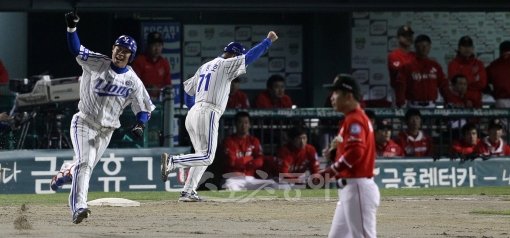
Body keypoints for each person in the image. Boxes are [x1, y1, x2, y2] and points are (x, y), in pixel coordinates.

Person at [50, 11, 155, 224]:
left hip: (106, 131)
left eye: (126, 51)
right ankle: (79, 207)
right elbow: (76, 49)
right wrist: (72, 28)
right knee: (85, 165)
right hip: (84, 122)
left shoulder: (133, 80)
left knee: (82, 166)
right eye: (118, 48)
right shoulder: (98, 62)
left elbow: (143, 108)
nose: (121, 53)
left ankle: (64, 172)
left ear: (131, 56)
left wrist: (140, 125)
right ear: (113, 49)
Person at [160, 31, 279, 202]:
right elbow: (249, 57)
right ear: (233, 55)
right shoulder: (226, 64)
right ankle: (172, 161)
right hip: (208, 111)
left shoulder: (205, 66)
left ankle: (188, 191)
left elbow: (187, 91)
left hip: (194, 112)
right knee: (207, 156)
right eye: (238, 57)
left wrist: (195, 109)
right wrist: (267, 42)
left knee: (202, 156)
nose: (239, 64)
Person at [310, 74, 379, 238]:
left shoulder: (355, 119)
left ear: (348, 96)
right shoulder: (351, 118)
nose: (331, 97)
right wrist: (335, 153)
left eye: (335, 93)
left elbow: (356, 152)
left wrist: (329, 172)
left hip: (358, 187)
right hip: (350, 188)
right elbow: (352, 153)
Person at [222, 111, 276, 190]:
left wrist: (241, 162)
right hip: (234, 178)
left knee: (272, 184)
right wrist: (250, 159)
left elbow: (260, 161)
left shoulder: (254, 140)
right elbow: (231, 162)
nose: (243, 126)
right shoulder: (228, 141)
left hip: (250, 178)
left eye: (246, 123)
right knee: (227, 186)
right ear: (236, 124)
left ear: (249, 124)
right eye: (240, 122)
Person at [394, 34, 449, 108]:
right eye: (421, 45)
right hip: (414, 106)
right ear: (416, 47)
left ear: (430, 47)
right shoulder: (407, 66)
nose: (424, 48)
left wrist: (448, 100)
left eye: (426, 45)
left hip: (432, 106)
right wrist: (400, 102)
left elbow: (443, 84)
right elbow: (400, 85)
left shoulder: (435, 66)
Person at [447, 35, 487, 105]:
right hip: (458, 103)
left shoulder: (479, 64)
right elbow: (456, 85)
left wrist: (465, 84)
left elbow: (482, 84)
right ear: (459, 48)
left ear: (473, 48)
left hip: (476, 103)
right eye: (464, 46)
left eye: (469, 46)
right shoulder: (453, 64)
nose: (467, 49)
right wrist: (473, 83)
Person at [132, 31, 171, 100]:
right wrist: (148, 87)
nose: (157, 49)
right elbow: (133, 83)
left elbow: (168, 85)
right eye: (154, 45)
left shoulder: (164, 63)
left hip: (160, 101)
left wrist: (163, 90)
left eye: (159, 45)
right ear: (148, 46)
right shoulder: (139, 61)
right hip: (142, 99)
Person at [387, 24, 415, 106]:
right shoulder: (393, 55)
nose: (408, 38)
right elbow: (399, 72)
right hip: (398, 92)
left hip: (414, 93)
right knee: (399, 118)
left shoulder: (415, 55)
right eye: (405, 36)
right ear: (398, 38)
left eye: (410, 35)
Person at [486, 41, 510, 108]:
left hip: (500, 100)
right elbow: (483, 82)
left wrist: (492, 93)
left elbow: (483, 82)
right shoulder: (494, 65)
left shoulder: (494, 65)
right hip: (500, 100)